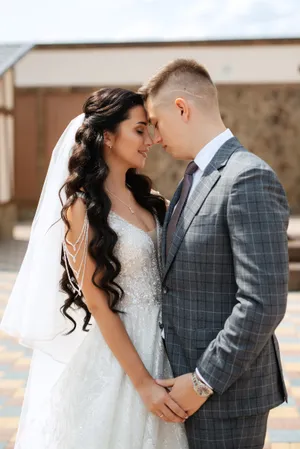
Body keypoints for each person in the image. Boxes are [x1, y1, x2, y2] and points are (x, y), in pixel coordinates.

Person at [0, 88, 188, 449]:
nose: (150, 140)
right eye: (139, 130)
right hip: (122, 353)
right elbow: (99, 305)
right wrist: (144, 384)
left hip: (170, 345)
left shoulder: (150, 201)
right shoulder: (81, 210)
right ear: (107, 136)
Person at [140, 58, 290, 449]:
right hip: (179, 390)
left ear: (182, 108)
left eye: (155, 122)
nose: (154, 137)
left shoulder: (248, 178)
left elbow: (263, 302)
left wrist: (203, 381)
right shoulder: (193, 176)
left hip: (227, 397)